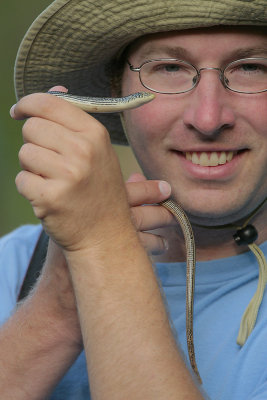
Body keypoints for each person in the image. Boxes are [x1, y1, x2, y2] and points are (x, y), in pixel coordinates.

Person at [1, 0, 266, 398]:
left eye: (251, 68)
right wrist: (59, 301)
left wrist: (103, 247)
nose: (209, 119)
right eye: (170, 68)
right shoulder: (16, 263)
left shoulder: (91, 244)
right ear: (115, 91)